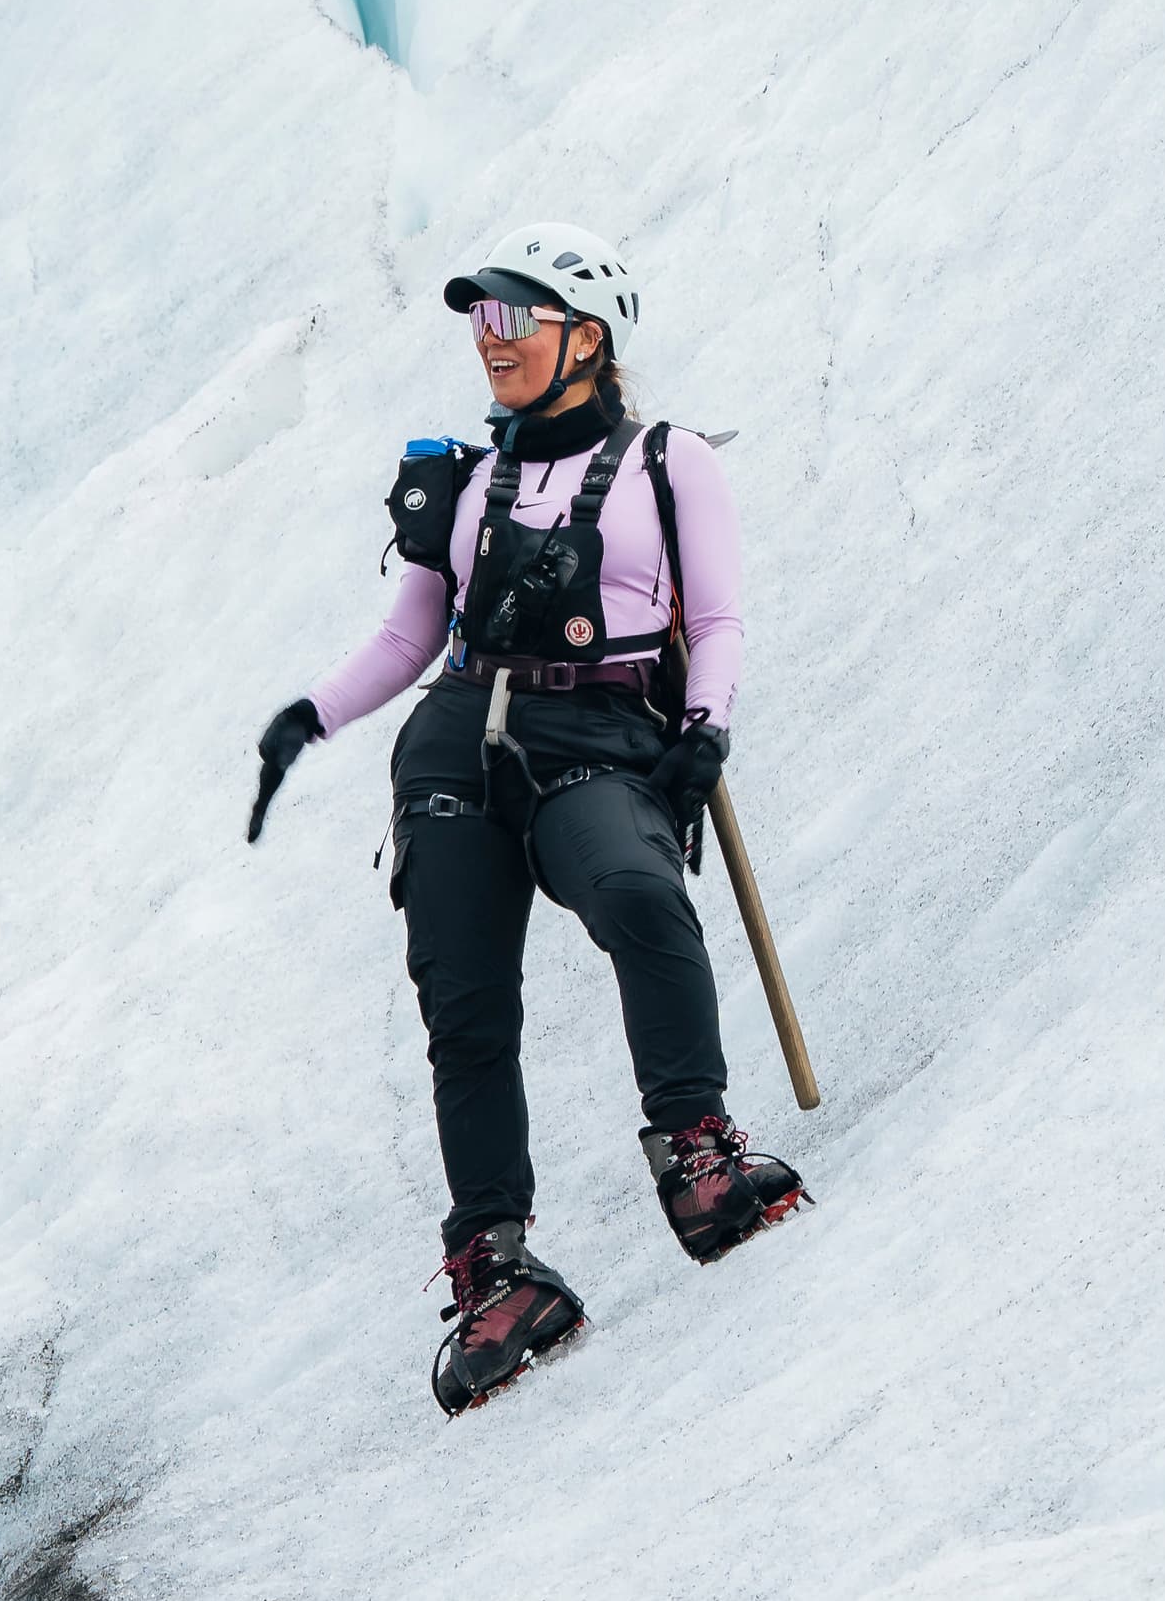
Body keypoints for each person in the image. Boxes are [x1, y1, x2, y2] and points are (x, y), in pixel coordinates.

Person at [249, 221, 808, 1414]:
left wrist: (704, 725)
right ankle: (496, 1271)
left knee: (639, 893)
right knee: (464, 1006)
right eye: (477, 319)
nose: (487, 341)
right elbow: (410, 637)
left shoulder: (672, 463)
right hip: (456, 734)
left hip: (601, 730)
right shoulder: (465, 474)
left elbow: (714, 622)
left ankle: (695, 1153)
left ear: (588, 339)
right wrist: (313, 716)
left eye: (512, 318)